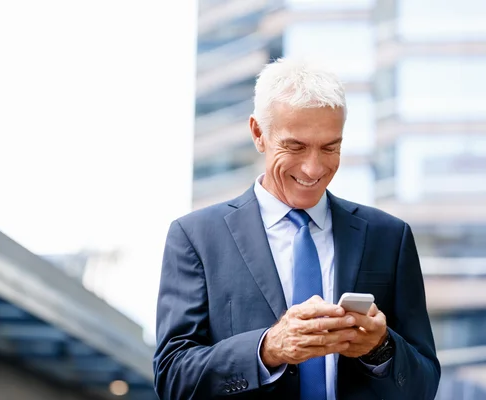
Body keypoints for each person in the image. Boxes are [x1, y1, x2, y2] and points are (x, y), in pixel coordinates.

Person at [153, 58, 440, 399]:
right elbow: (172, 378)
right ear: (259, 133)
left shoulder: (389, 237)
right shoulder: (196, 238)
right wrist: (266, 349)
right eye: (296, 146)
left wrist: (380, 348)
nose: (313, 167)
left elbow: (424, 384)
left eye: (330, 147)